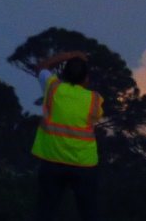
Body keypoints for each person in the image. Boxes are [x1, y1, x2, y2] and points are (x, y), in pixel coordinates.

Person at [31, 50, 104, 221]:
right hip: (83, 163)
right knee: (90, 212)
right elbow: (95, 117)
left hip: (52, 160)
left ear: (63, 74)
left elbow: (41, 67)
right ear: (86, 77)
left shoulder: (53, 88)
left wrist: (69, 55)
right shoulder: (94, 100)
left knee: (46, 211)